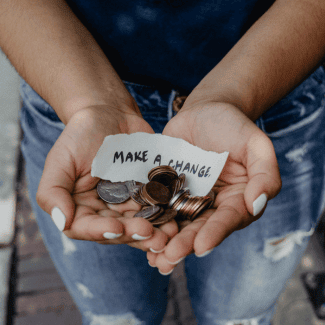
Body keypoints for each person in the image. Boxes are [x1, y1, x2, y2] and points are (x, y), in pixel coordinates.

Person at [1, 0, 325, 324]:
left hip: (272, 89)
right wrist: (91, 104)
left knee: (241, 319)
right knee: (114, 319)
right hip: (71, 99)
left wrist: (230, 97)